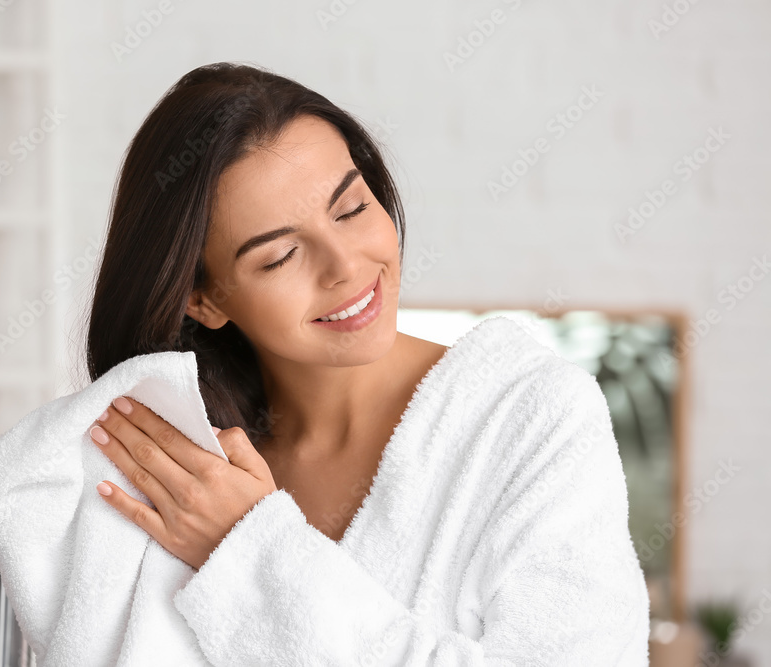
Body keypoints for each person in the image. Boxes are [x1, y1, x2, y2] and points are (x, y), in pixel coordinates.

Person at [84, 61, 650, 665]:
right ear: (204, 298)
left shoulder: (530, 421)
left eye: (351, 209)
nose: (346, 267)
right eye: (280, 256)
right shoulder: (184, 469)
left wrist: (246, 553)